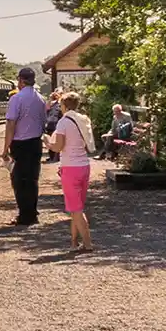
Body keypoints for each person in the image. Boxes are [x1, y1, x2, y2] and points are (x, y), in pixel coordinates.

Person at [44, 92, 96, 251]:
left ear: (64, 106)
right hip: (84, 166)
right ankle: (74, 243)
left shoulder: (63, 122)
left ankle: (88, 244)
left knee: (76, 210)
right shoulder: (83, 120)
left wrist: (47, 142)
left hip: (70, 168)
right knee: (76, 208)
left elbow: (58, 147)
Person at [2, 67, 47, 226]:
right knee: (33, 179)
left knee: (19, 180)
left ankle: (24, 216)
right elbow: (43, 122)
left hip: (20, 144)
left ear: (21, 80)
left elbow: (11, 124)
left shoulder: (16, 98)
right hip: (35, 143)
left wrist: (6, 148)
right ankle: (32, 212)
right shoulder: (41, 99)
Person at [43, 90, 65, 163]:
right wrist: (50, 99)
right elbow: (46, 108)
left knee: (56, 140)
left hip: (57, 124)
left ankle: (56, 157)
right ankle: (51, 156)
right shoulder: (52, 103)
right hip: (50, 124)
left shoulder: (62, 104)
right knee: (50, 140)